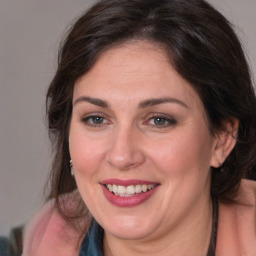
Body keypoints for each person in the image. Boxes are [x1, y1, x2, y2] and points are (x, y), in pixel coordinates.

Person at [22, 0, 256, 255]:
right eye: (96, 119)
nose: (122, 156)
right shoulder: (39, 237)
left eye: (159, 120)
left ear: (222, 138)